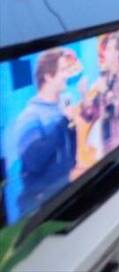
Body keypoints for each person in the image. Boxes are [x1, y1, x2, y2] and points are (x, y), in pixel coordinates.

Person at [14, 49, 76, 217]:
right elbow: (34, 161)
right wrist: (64, 122)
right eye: (63, 70)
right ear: (48, 76)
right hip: (41, 209)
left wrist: (72, 125)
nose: (67, 75)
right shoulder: (30, 116)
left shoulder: (62, 107)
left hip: (67, 193)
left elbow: (69, 153)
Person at [79, 33, 119, 156]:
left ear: (117, 53)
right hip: (107, 148)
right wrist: (84, 94)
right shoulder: (104, 77)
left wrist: (105, 90)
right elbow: (90, 116)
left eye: (108, 49)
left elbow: (116, 110)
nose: (104, 53)